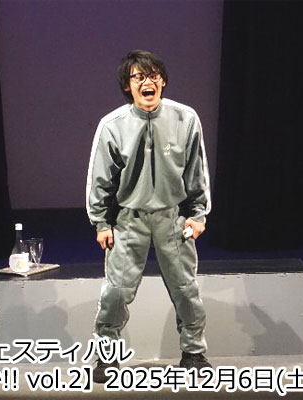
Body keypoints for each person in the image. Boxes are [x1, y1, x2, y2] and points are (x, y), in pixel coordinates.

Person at [86, 50, 212, 382]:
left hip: (173, 218)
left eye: (154, 75)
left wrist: (198, 215)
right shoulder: (113, 125)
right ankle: (106, 356)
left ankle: (194, 353)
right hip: (129, 219)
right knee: (116, 292)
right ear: (128, 86)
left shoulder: (186, 119)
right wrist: (101, 222)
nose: (147, 82)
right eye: (139, 77)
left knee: (185, 289)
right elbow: (100, 179)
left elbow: (196, 172)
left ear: (163, 81)